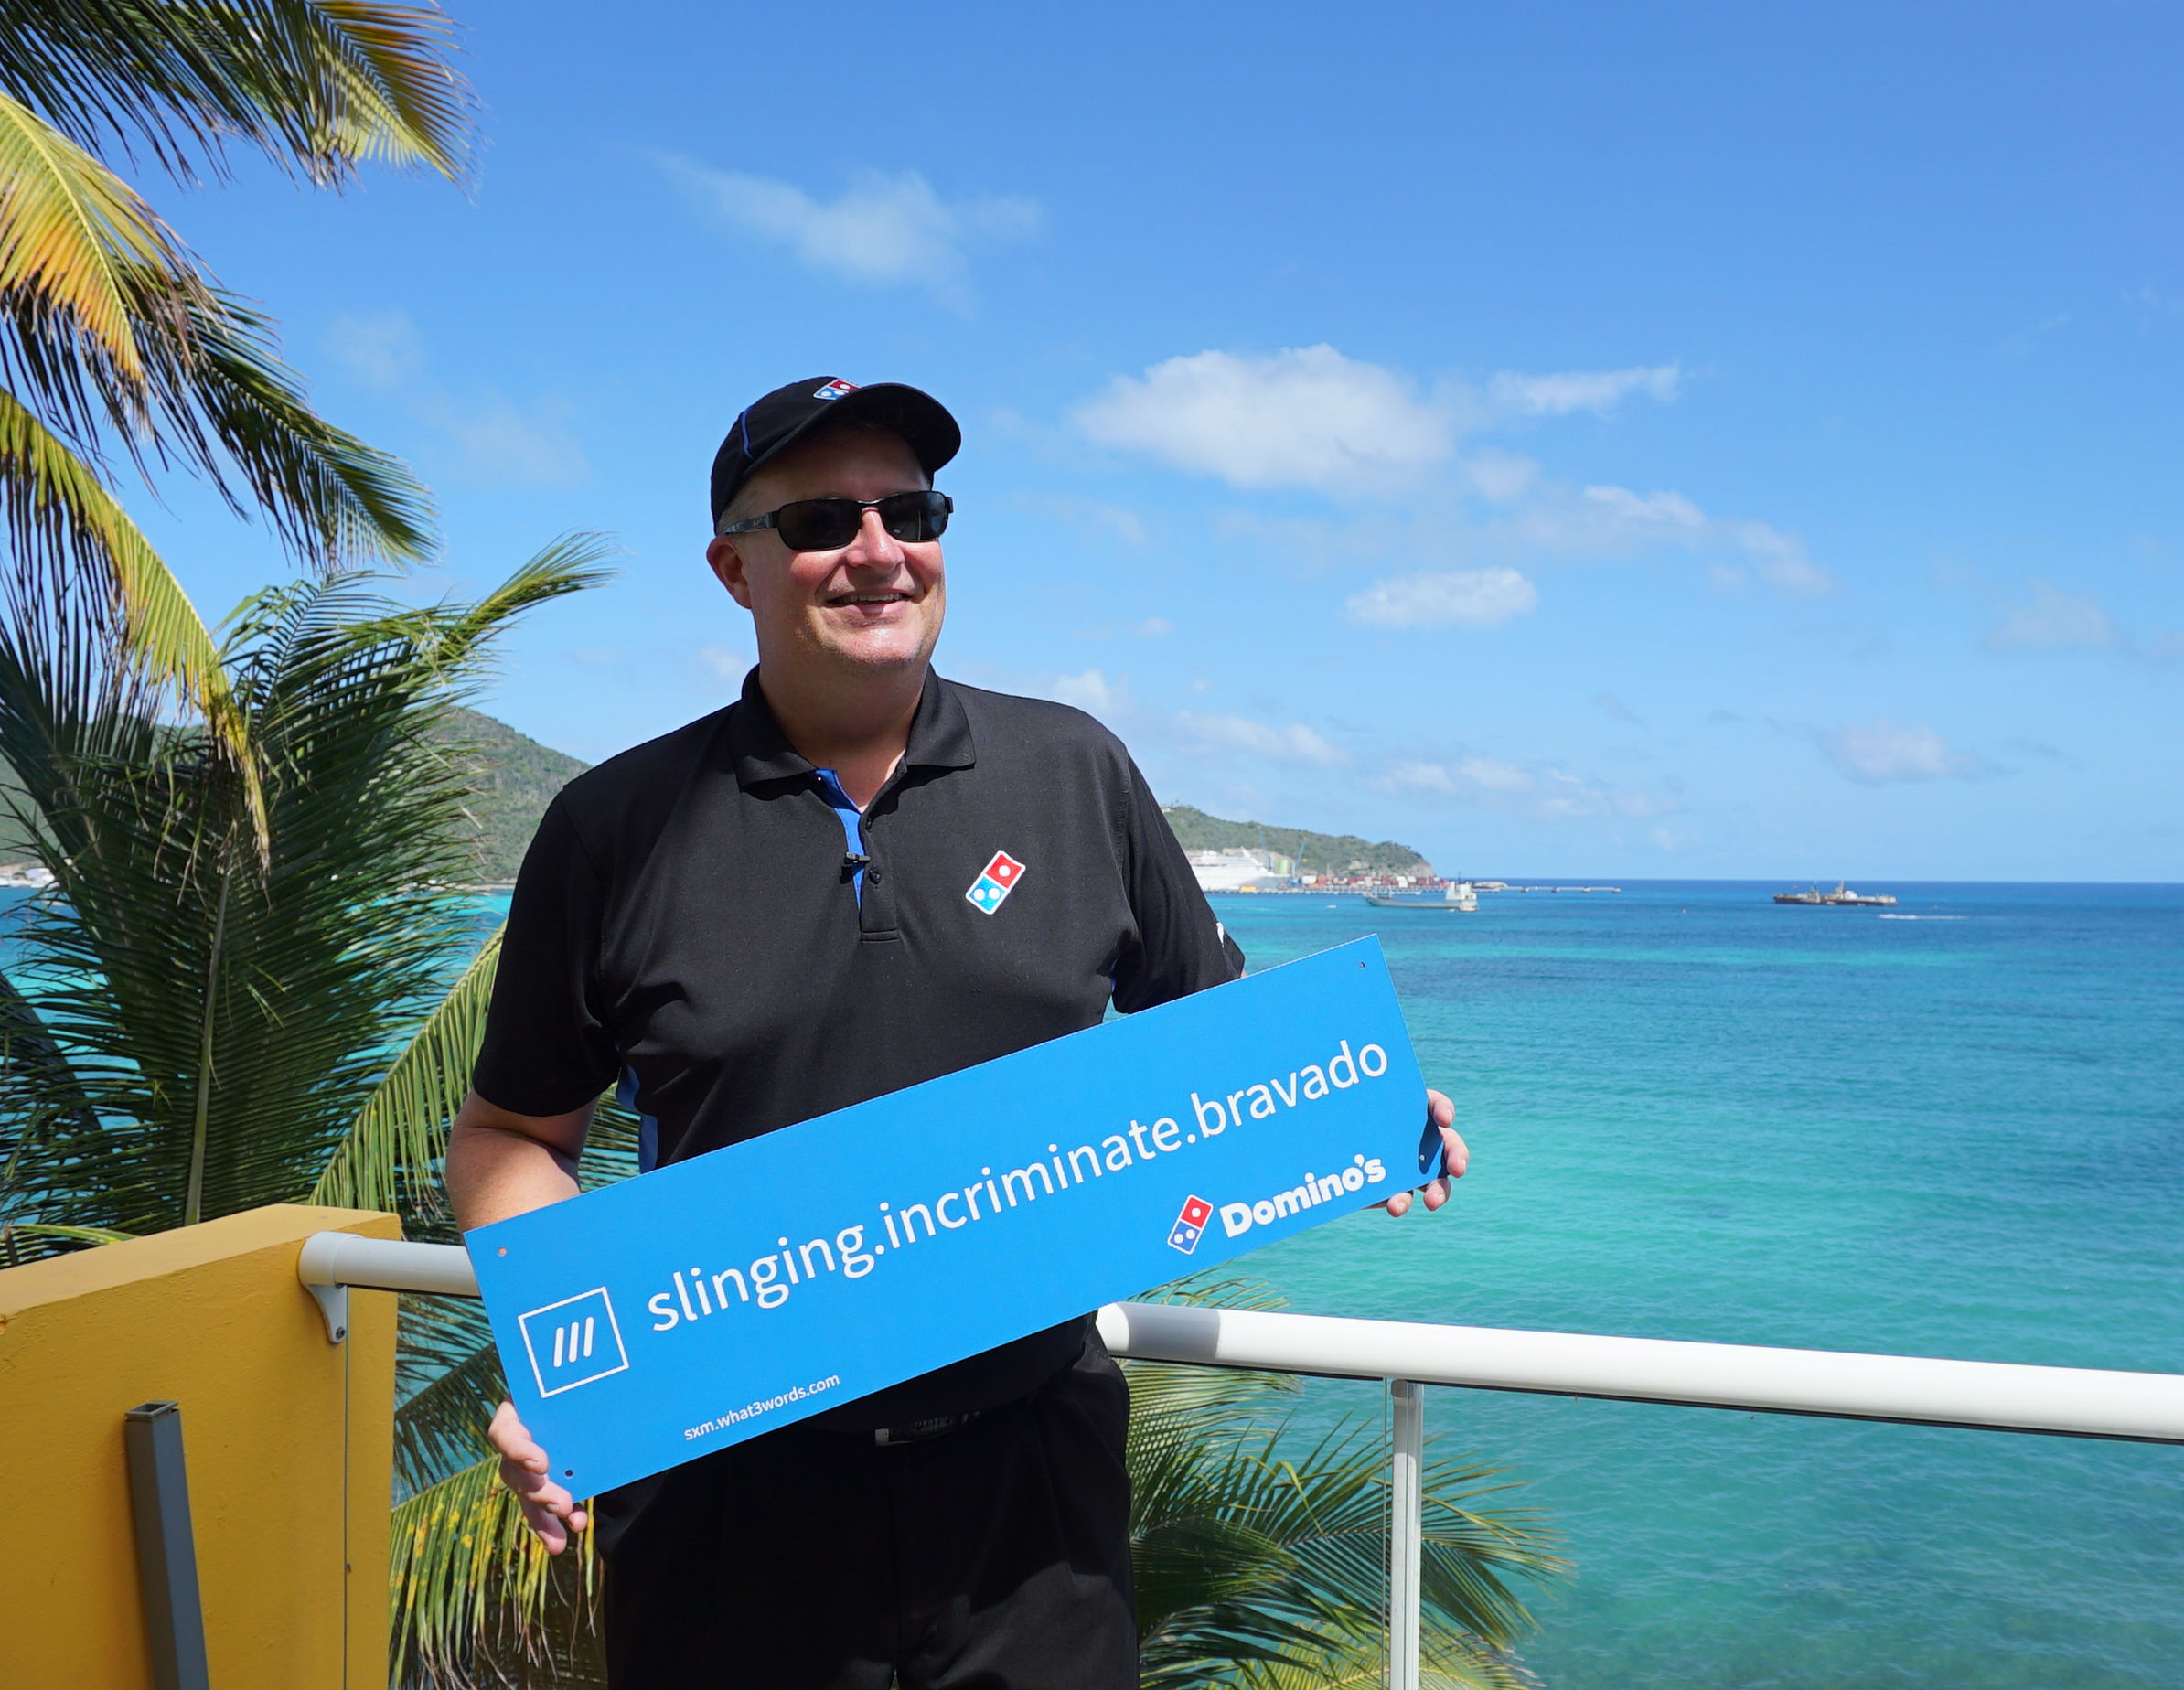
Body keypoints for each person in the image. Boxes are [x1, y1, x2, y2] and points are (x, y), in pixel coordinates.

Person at [445, 375, 1470, 1690]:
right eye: (820, 520)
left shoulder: (1073, 773)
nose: (876, 550)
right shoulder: (613, 827)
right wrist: (575, 1366)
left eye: (911, 510)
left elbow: (1226, 1057)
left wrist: (1355, 1111)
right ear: (732, 568)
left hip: (1033, 1493)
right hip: (726, 1505)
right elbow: (509, 1136)